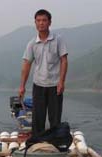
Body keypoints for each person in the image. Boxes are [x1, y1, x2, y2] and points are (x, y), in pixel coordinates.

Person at [18, 9, 68, 137]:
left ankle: (55, 144)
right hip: (38, 85)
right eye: (38, 21)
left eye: (44, 20)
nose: (41, 23)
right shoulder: (32, 44)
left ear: (49, 22)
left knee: (55, 119)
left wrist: (61, 81)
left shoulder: (58, 40)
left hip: (55, 86)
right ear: (35, 23)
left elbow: (64, 60)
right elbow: (26, 65)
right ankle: (37, 144)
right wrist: (22, 86)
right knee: (38, 119)